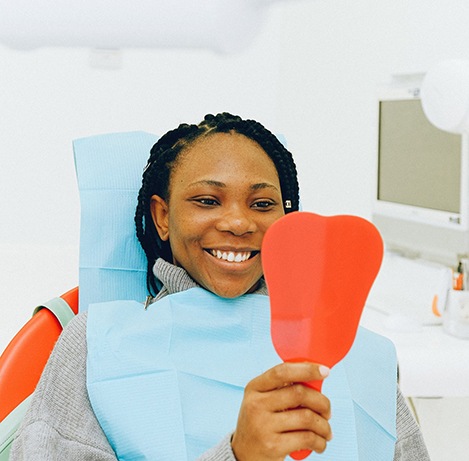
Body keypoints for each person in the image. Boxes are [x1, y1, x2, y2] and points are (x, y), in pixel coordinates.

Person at [10, 113, 430, 461]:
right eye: (207, 200)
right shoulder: (93, 344)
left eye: (262, 204)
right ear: (162, 217)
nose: (238, 223)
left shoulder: (361, 354)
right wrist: (237, 454)